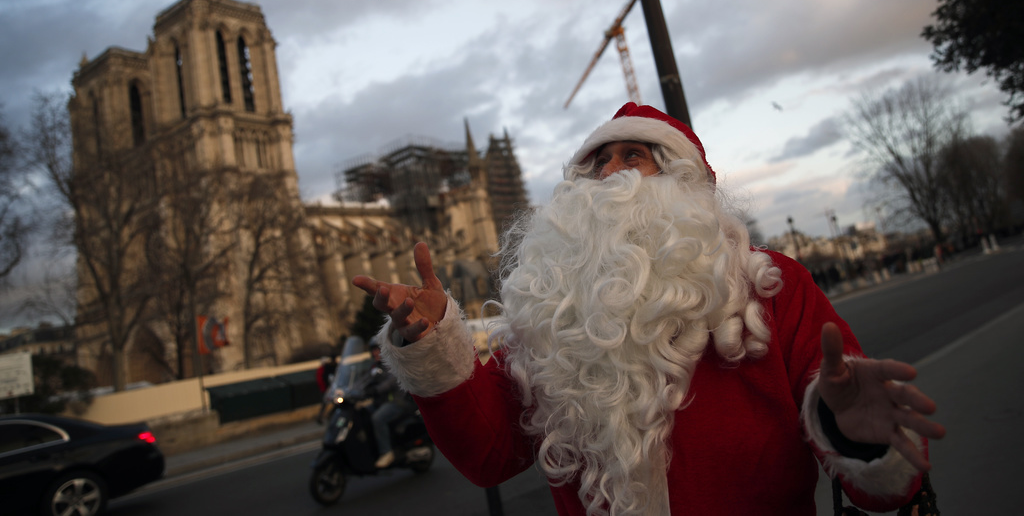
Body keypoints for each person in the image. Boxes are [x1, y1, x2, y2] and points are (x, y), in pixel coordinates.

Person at [353, 102, 946, 515]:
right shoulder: (551, 315)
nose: (608, 174)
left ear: (682, 182)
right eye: (595, 164)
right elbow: (489, 455)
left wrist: (860, 438)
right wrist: (433, 344)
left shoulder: (773, 286)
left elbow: (886, 489)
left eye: (632, 156)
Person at [359, 339, 417, 468]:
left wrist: (376, 390)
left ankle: (386, 452)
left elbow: (391, 381)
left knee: (377, 418)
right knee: (362, 415)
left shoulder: (392, 364)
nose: (375, 353)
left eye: (378, 349)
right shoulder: (375, 366)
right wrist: (352, 390)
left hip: (397, 402)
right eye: (373, 350)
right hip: (382, 402)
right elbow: (364, 380)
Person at [314, 354, 337, 424]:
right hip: (325, 390)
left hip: (327, 389)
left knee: (331, 403)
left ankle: (326, 416)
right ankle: (323, 417)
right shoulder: (323, 369)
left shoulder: (325, 369)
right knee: (326, 404)